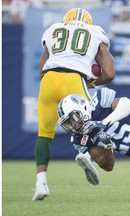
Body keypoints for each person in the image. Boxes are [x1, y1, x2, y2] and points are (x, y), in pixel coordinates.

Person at [32, 8, 115, 201]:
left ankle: (40, 183)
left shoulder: (54, 28)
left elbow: (42, 65)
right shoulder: (95, 31)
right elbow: (110, 72)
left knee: (44, 133)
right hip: (73, 78)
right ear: (88, 22)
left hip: (49, 79)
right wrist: (91, 82)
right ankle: (85, 154)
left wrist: (49, 82)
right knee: (88, 124)